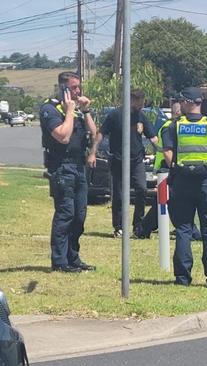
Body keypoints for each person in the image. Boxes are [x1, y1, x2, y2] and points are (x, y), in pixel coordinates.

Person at [162, 87, 207, 287]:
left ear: (189, 102)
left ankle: (182, 278)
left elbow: (167, 155)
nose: (180, 104)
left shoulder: (174, 126)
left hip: (182, 182)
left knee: (183, 229)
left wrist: (181, 168)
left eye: (182, 101)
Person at [39, 71, 97, 272]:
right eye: (74, 88)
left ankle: (73, 257)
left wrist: (86, 110)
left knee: (80, 215)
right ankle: (60, 261)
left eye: (79, 87)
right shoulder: (50, 109)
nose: (78, 91)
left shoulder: (77, 109)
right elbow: (62, 136)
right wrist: (70, 111)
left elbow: (95, 134)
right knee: (66, 213)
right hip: (62, 167)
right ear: (62, 88)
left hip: (79, 166)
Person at [93, 89, 157, 238]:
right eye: (138, 102)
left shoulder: (141, 117)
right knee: (119, 195)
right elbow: (101, 133)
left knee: (142, 189)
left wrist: (161, 150)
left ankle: (138, 226)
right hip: (118, 160)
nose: (141, 105)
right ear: (131, 100)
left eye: (142, 102)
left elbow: (152, 137)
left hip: (137, 161)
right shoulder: (115, 115)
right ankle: (119, 227)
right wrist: (93, 152)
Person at [139, 100, 201, 240]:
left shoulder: (174, 126)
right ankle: (189, 229)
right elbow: (168, 151)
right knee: (170, 201)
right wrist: (174, 167)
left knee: (164, 201)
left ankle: (144, 228)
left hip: (170, 167)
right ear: (178, 112)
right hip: (169, 167)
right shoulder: (170, 127)